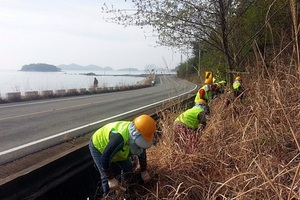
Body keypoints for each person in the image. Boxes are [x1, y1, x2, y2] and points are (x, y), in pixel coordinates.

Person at [89, 114, 157, 197]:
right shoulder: (119, 138)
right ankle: (108, 196)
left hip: (116, 150)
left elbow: (141, 151)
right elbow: (105, 157)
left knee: (128, 167)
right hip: (99, 147)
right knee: (106, 178)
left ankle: (127, 190)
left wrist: (144, 171)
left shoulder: (141, 135)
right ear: (135, 134)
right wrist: (110, 178)